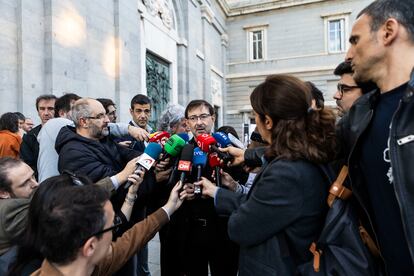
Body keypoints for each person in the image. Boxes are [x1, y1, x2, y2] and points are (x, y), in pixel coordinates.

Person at [187, 74, 337, 275]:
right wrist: (218, 191)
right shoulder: (304, 153)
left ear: (267, 121)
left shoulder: (286, 172)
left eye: (255, 116)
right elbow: (261, 207)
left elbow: (241, 227)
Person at [339, 0, 414, 274]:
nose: (348, 54)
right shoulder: (360, 114)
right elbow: (312, 148)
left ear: (388, 31)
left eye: (354, 40)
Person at [19, 176, 183, 276]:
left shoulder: (85, 264)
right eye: (112, 226)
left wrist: (169, 207)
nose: (116, 231)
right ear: (90, 246)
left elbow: (131, 239)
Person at [19, 94, 57, 179]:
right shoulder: (30, 136)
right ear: (38, 112)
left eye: (51, 109)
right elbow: (28, 164)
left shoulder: (67, 133)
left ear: (57, 111)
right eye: (42, 109)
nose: (46, 113)